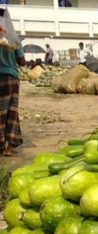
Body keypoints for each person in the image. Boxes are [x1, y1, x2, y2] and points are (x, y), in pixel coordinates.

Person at [0, 10, 24, 157]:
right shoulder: (13, 38)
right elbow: (21, 61)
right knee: (11, 111)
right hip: (11, 78)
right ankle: (9, 146)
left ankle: (1, 147)